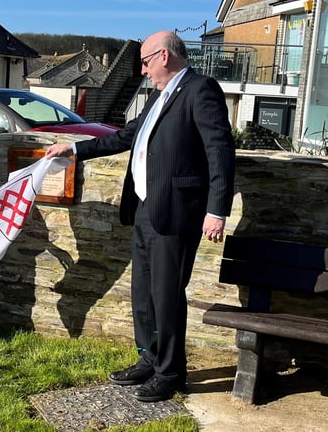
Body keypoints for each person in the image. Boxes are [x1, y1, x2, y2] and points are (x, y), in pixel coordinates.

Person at [46, 31, 235, 402]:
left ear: (164, 56)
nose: (143, 70)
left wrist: (217, 209)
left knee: (166, 295)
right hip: (145, 209)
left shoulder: (201, 89)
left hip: (177, 211)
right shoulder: (157, 97)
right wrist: (73, 149)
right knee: (143, 294)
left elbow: (220, 151)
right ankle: (148, 359)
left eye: (145, 62)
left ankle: (170, 373)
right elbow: (125, 137)